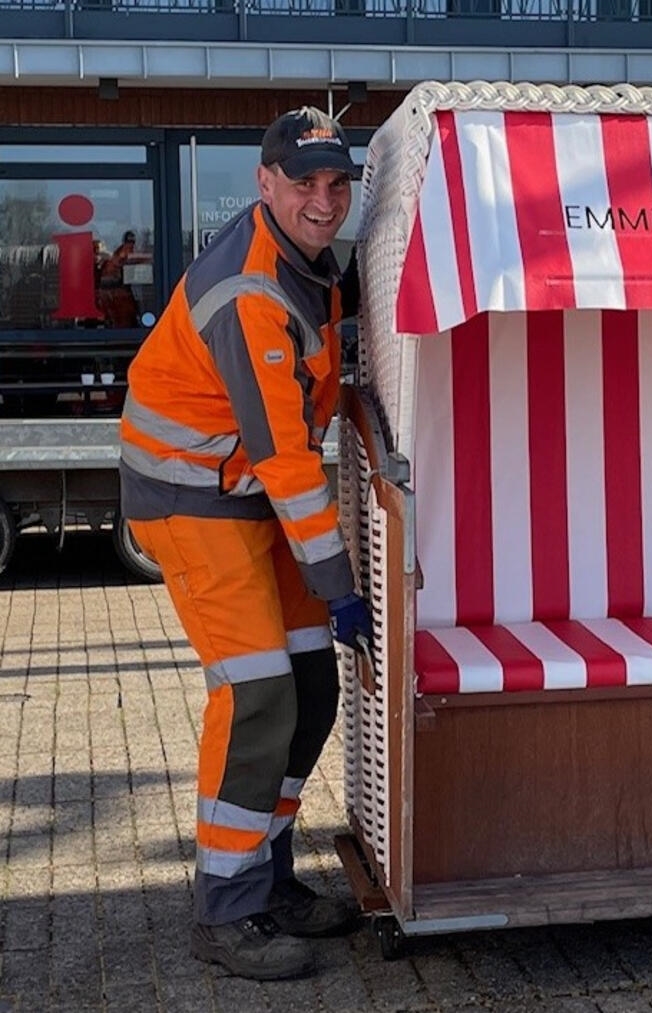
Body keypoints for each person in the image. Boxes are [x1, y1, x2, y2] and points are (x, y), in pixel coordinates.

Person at [118, 107, 373, 981]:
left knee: (310, 683)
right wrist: (340, 584)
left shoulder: (312, 263)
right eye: (304, 183)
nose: (323, 200)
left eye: (337, 184)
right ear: (265, 184)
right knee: (260, 690)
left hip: (247, 491)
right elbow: (286, 459)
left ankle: (268, 877)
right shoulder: (252, 289)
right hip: (191, 499)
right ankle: (225, 910)